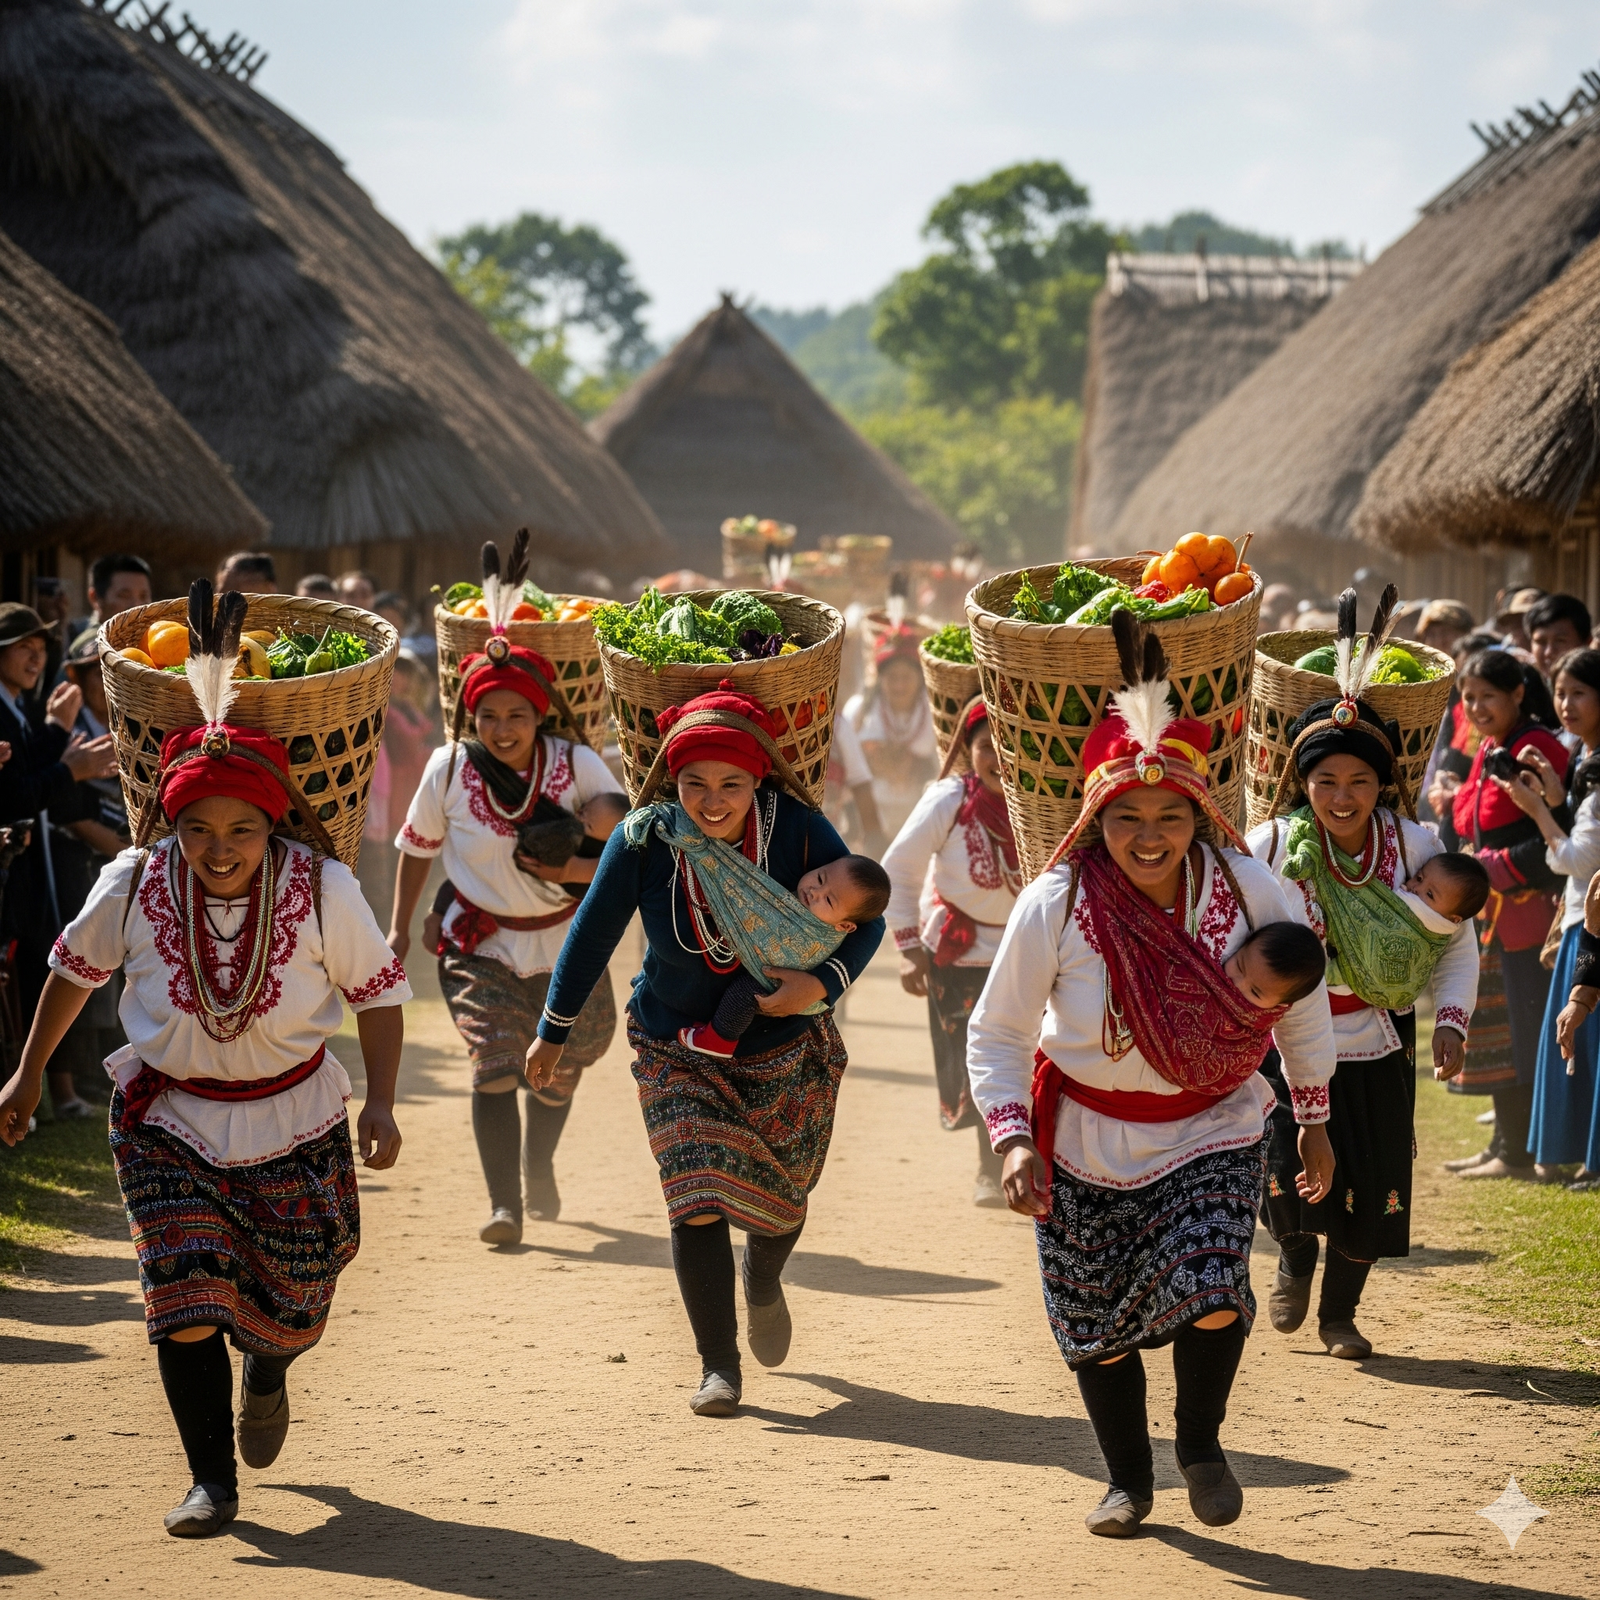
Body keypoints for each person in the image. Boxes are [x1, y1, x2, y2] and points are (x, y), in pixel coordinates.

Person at [0, 583, 411, 1538]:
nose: (218, 850)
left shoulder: (324, 884)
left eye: (241, 830)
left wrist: (382, 1102)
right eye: (197, 829)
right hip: (168, 1121)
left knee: (291, 1303)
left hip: (296, 1120)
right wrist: (27, 1074)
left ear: (275, 826)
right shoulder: (133, 878)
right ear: (169, 825)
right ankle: (209, 1483)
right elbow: (72, 970)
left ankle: (268, 1366)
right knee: (182, 1294)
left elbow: (379, 992)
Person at [967, 613, 1336, 1538]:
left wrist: (1314, 1115)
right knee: (1095, 1324)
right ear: (1095, 820)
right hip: (1082, 1139)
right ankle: (1128, 1482)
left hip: (1215, 1125)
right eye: (1127, 817)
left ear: (1198, 815)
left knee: (1211, 1288)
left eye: (1170, 817)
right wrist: (1012, 1140)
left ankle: (1200, 1446)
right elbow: (999, 1030)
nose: (1149, 835)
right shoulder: (1055, 903)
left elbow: (1299, 1005)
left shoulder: (1248, 889)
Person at [528, 682, 885, 1419]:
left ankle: (764, 1275)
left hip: (784, 1045)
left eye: (731, 785)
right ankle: (718, 1365)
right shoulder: (644, 839)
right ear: (671, 779)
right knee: (693, 1197)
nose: (712, 801)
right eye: (694, 783)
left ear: (759, 782)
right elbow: (592, 934)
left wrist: (818, 986)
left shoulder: (799, 829)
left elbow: (868, 918)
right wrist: (552, 1029)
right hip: (675, 1045)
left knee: (783, 1202)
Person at [1251, 590, 1482, 1360]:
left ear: (1382, 783)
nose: (1342, 796)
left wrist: (1452, 1021)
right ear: (1303, 785)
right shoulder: (1272, 846)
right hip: (1286, 1039)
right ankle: (1293, 1258)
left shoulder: (1416, 847)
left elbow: (1456, 943)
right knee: (1284, 1170)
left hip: (1378, 1042)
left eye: (1358, 781)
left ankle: (1339, 1316)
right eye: (1326, 782)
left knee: (1371, 1179)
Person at [389, 640, 626, 1242]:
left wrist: (572, 869)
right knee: (493, 1063)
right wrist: (399, 926)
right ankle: (505, 1207)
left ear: (539, 715)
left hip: (568, 945)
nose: (502, 729)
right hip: (480, 943)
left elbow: (629, 841)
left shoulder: (577, 764)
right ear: (470, 717)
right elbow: (417, 848)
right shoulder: (448, 767)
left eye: (517, 715)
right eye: (488, 716)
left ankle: (537, 1164)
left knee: (561, 1068)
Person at [883, 699, 1023, 1206]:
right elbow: (898, 869)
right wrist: (908, 948)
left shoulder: (1046, 802)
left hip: (1027, 956)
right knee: (978, 1064)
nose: (998, 758)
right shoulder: (949, 799)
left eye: (1008, 745)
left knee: (1033, 1061)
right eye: (986, 746)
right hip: (958, 957)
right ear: (968, 749)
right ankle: (990, 1168)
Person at [1436, 647, 1568, 1180]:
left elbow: (1554, 833)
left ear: (1518, 693)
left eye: (1487, 696)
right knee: (1499, 1032)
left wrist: (1488, 867)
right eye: (1468, 698)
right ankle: (1504, 1144)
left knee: (1524, 1032)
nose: (1476, 708)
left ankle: (1523, 1150)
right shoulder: (1492, 745)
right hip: (1494, 916)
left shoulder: (1536, 748)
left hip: (1529, 916)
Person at [0, 604, 119, 1118]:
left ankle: (41, 1092)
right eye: (22, 647)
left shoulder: (16, 708)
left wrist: (52, 731)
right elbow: (17, 795)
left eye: (40, 648)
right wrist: (70, 767)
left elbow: (26, 775)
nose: (34, 657)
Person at [1495, 648, 1600, 1183]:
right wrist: (1555, 798)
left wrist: (1537, 811)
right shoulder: (1583, 757)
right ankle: (1580, 1153)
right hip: (1581, 913)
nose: (1566, 704)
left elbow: (1580, 858)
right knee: (1575, 1041)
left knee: (1585, 1043)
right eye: (1560, 692)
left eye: (1579, 692)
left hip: (1592, 921)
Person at [678, 854, 889, 1057]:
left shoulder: (823, 934)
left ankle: (719, 1040)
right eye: (819, 878)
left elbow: (875, 923)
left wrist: (820, 984)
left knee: (745, 992)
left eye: (828, 900)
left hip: (785, 990)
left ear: (844, 926)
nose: (815, 891)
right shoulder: (824, 884)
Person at [844, 625, 937, 842]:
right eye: (892, 677)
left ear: (920, 677)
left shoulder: (935, 713)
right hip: (866, 822)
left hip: (921, 820)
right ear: (880, 678)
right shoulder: (859, 711)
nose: (899, 685)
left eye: (906, 677)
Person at [68, 554, 152, 655]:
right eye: (124, 596)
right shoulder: (93, 646)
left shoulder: (152, 638)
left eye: (143, 596)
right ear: (95, 597)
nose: (137, 606)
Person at [1526, 594, 1591, 689]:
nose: (1549, 652)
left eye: (1560, 641)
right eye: (1541, 642)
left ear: (1587, 643)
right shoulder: (1523, 690)